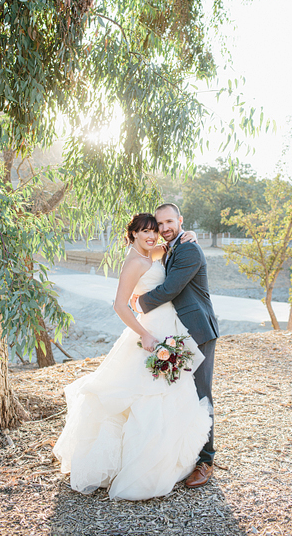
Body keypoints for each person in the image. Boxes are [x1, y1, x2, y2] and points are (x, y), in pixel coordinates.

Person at [53, 213, 211, 500]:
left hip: (170, 327)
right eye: (145, 231)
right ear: (133, 235)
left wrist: (192, 235)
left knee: (173, 391)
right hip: (149, 332)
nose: (152, 235)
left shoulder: (156, 251)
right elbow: (120, 305)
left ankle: (174, 459)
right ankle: (138, 466)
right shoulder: (133, 262)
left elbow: (177, 244)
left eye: (154, 230)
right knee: (145, 395)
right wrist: (144, 335)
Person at [130, 202, 220, 488]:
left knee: (201, 394)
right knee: (181, 394)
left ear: (180, 220)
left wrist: (138, 303)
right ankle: (185, 453)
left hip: (198, 329)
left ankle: (206, 461)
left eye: (170, 222)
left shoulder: (189, 249)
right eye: (161, 225)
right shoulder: (171, 247)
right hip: (177, 330)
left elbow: (171, 289)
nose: (165, 228)